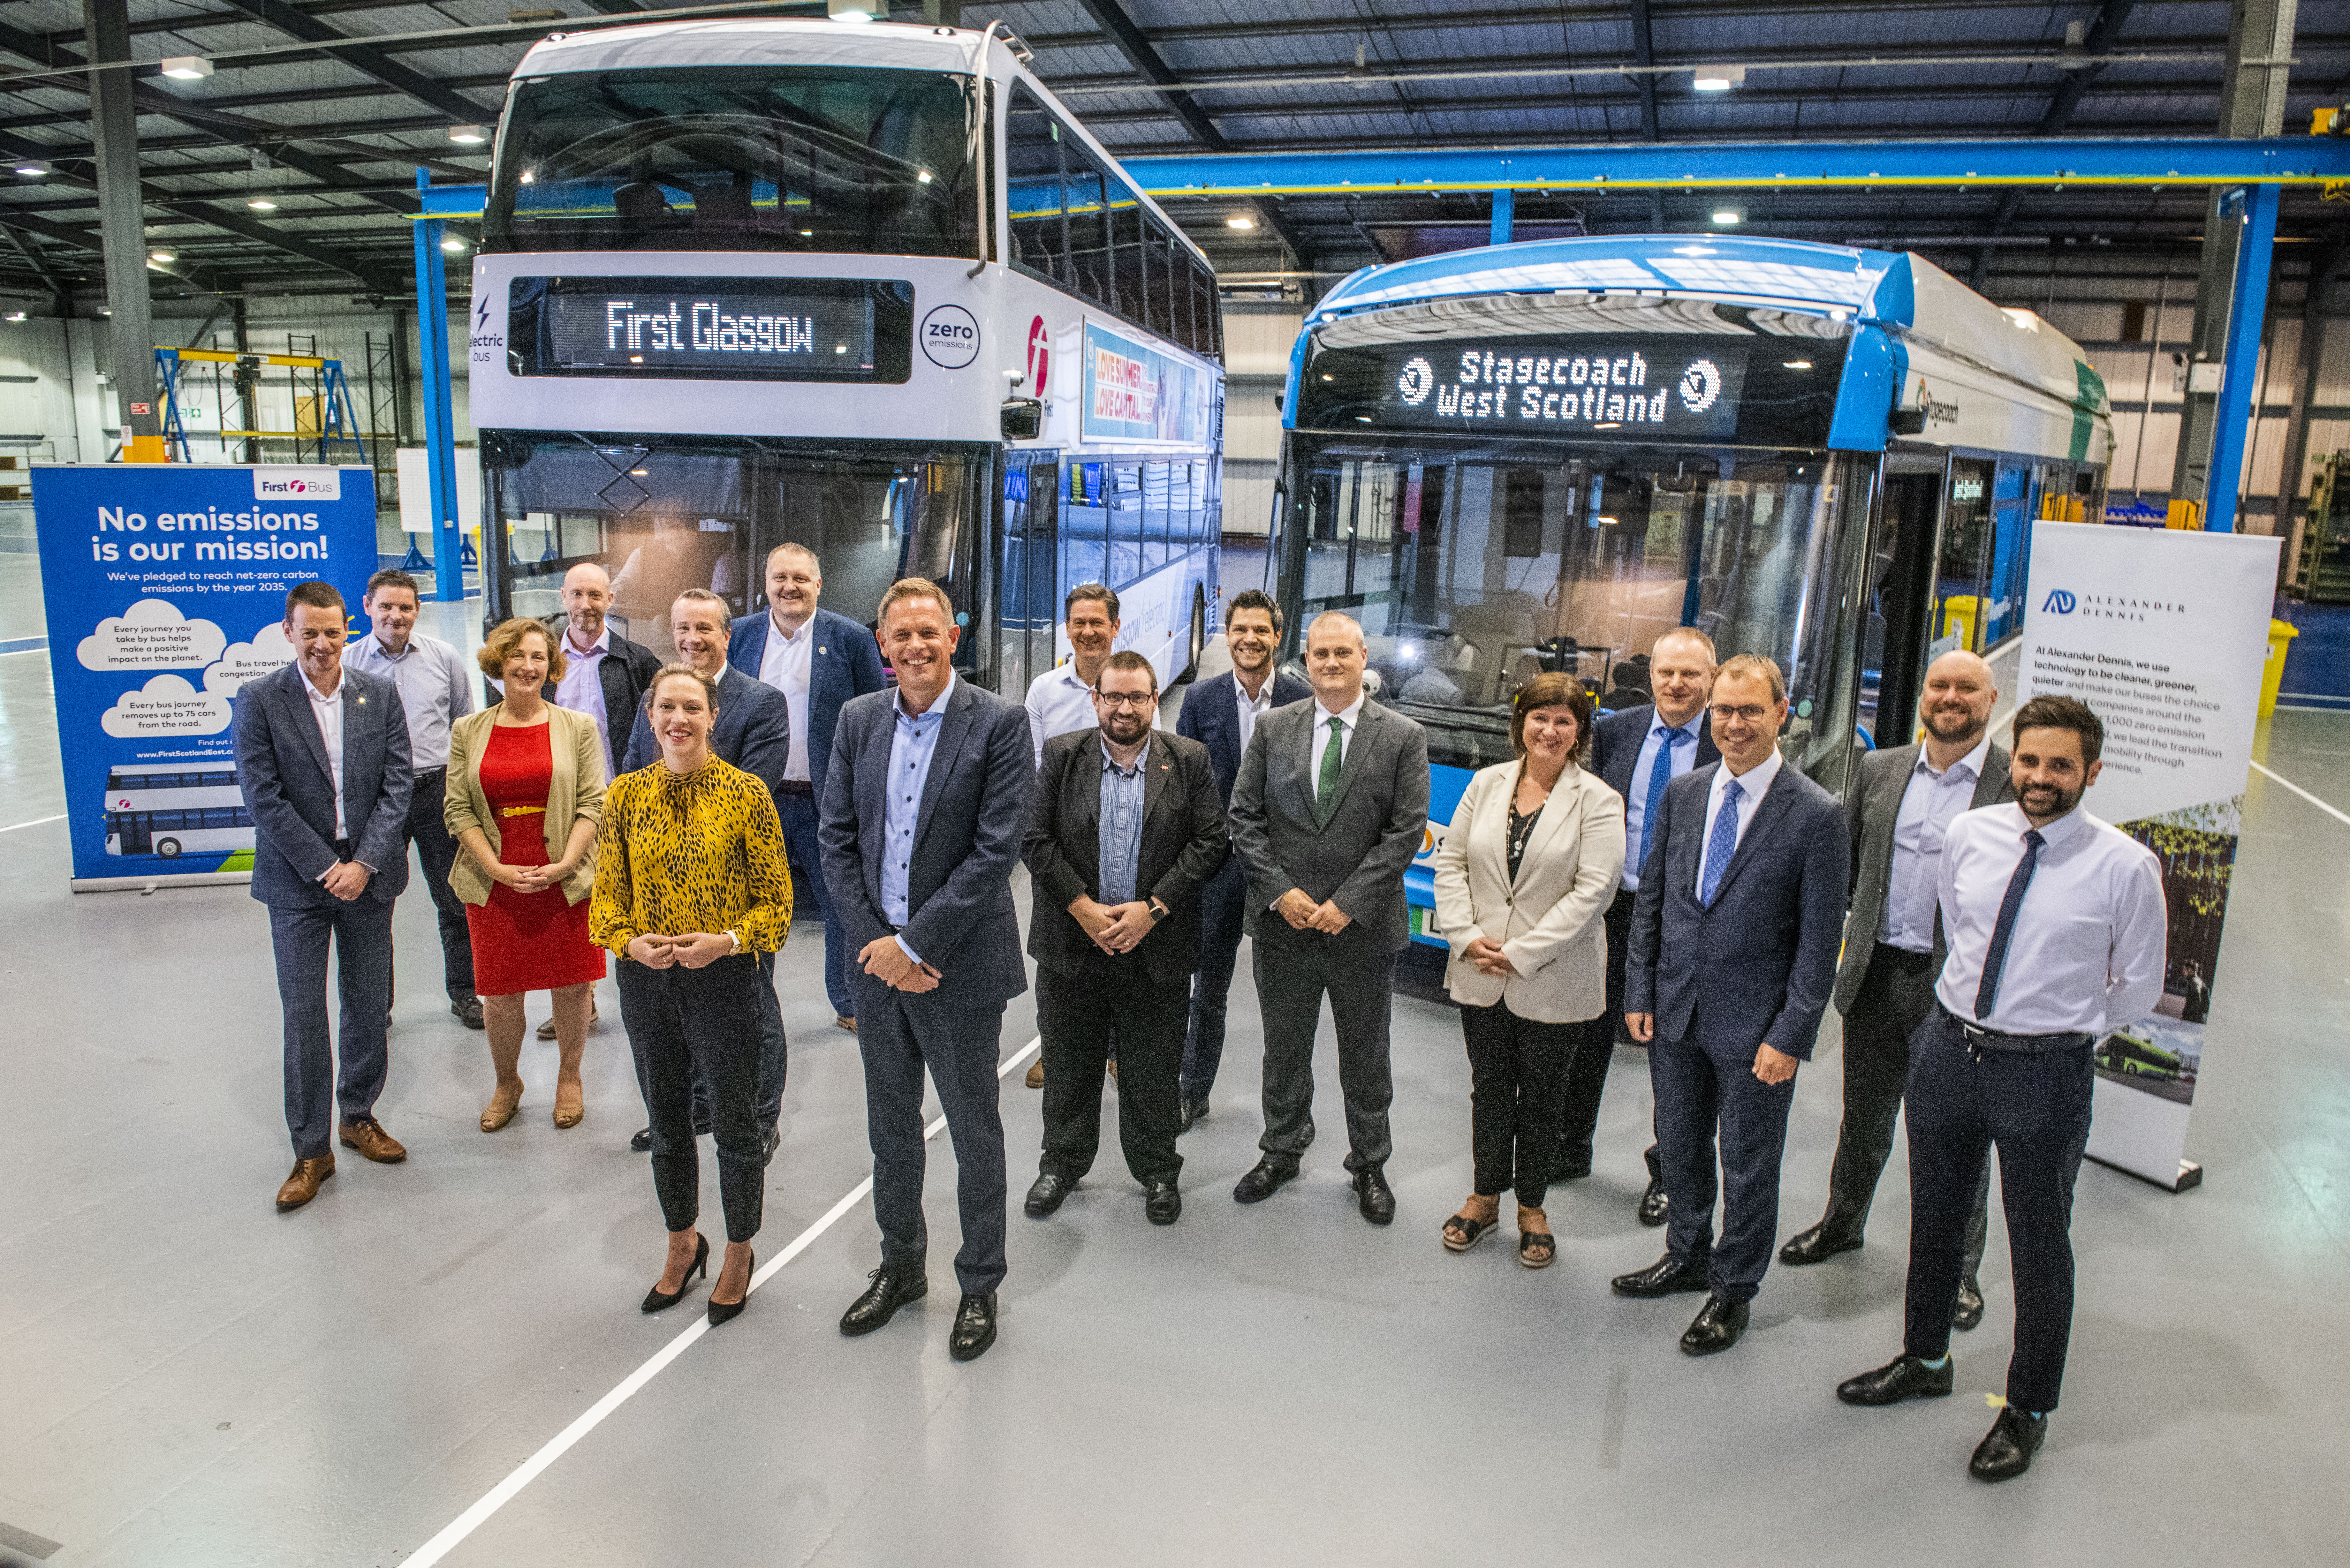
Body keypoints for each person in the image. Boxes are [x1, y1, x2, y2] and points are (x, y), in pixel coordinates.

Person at [1836, 696, 2165, 1482]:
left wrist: (2056, 1025)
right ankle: (1924, 1355)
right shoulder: (1970, 834)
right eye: (2029, 761)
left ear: (2091, 771)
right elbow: (1957, 924)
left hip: (2042, 1071)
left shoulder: (2124, 865)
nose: (2040, 778)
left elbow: (2138, 987)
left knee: (2038, 1243)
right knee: (1936, 1220)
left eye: (2060, 765)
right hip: (1948, 1052)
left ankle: (2027, 1407)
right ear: (2010, 759)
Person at [1612, 653, 1848, 1356]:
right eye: (1723, 710)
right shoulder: (1684, 794)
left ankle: (1732, 1289)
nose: (1734, 724)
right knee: (1680, 1146)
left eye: (1749, 711)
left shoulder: (1816, 814)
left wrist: (1791, 1033)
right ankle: (1685, 1254)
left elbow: (1817, 941)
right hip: (1674, 1011)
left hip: (1756, 1029)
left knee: (1747, 1164)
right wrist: (1639, 989)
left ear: (1781, 715)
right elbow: (1651, 900)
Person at [822, 577, 1031, 1362]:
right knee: (890, 1129)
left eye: (928, 632)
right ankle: (901, 1266)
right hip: (877, 967)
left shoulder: (1000, 724)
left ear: (953, 636)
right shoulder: (857, 719)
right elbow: (837, 841)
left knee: (975, 1132)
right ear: (882, 644)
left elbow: (995, 851)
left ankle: (978, 1282)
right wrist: (879, 944)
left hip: (960, 970)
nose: (914, 646)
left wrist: (916, 948)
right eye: (900, 634)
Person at [1779, 650, 2011, 1332]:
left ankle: (1959, 1274)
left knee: (1956, 1137)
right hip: (1877, 973)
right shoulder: (1880, 770)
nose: (1948, 697)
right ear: (1922, 697)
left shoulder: (2007, 781)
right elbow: (1843, 865)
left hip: (1957, 990)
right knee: (1864, 1118)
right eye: (1937, 684)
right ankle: (1841, 1224)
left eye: (1964, 687)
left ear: (1990, 699)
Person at [591, 664, 793, 1329]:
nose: (678, 718)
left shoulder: (746, 795)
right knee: (668, 1123)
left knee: (735, 1126)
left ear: (712, 716)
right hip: (647, 981)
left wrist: (728, 940)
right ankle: (683, 1240)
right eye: (666, 707)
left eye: (692, 707)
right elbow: (605, 904)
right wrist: (629, 944)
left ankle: (738, 1248)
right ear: (650, 718)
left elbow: (777, 906)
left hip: (723, 978)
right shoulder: (623, 796)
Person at [1226, 611, 1430, 1225]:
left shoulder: (1401, 736)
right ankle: (1281, 1150)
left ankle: (1369, 1164)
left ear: (1364, 657)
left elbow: (1405, 833)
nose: (1332, 663)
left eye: (1344, 652)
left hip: (1362, 933)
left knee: (1365, 1056)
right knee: (1284, 1050)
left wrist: (1349, 904)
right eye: (1321, 654)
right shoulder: (1272, 728)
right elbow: (1244, 818)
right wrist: (1280, 893)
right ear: (1305, 661)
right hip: (1283, 928)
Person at [1021, 651, 1227, 1227]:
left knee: (1154, 1072)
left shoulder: (1188, 761)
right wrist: (1082, 908)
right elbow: (1035, 841)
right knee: (1069, 1068)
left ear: (1154, 701)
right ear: (1096, 700)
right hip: (1073, 947)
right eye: (1114, 696)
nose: (1125, 708)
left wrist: (1153, 910)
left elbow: (1212, 841)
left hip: (1155, 949)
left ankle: (1158, 1170)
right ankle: (1061, 1164)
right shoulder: (1064, 757)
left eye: (1138, 697)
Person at [231, 581, 413, 1213]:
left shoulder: (379, 694)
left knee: (368, 1005)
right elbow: (264, 799)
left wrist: (362, 862)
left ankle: (357, 1115)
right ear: (289, 632)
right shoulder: (260, 700)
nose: (321, 644)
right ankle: (311, 1148)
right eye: (308, 632)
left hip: (369, 880)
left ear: (347, 631)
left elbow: (397, 787)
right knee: (305, 1014)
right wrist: (325, 866)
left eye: (331, 632)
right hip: (296, 886)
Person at [1431, 675, 1626, 1268]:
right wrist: (1465, 937)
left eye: (1563, 721)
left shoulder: (1598, 801)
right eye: (1539, 718)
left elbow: (1595, 892)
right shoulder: (1485, 785)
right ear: (1520, 724)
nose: (1549, 730)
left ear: (1580, 733)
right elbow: (1452, 862)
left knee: (1544, 1097)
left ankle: (1533, 1208)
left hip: (1554, 976)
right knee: (1489, 1088)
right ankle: (1485, 1197)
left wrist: (1521, 953)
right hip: (1479, 970)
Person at [620, 589, 792, 1160]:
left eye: (704, 628)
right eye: (682, 628)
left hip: (733, 897)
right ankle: (693, 1108)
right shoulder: (657, 696)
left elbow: (756, 796)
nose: (692, 639)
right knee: (674, 1012)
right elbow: (630, 776)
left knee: (753, 1007)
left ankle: (757, 1117)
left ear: (728, 635)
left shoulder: (761, 702)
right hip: (657, 895)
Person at [1556, 626, 1719, 1226]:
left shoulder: (1722, 746)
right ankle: (1571, 1147)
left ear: (1711, 679)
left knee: (1673, 1050)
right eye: (1666, 673)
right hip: (1614, 909)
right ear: (1651, 677)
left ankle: (1670, 1175)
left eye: (1690, 675)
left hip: (1685, 921)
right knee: (1588, 1031)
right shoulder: (1616, 732)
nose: (1676, 684)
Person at [444, 619, 608, 1131]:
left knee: (572, 984)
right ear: (499, 663)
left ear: (551, 665)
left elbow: (592, 804)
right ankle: (506, 1082)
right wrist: (495, 868)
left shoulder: (577, 727)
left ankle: (570, 1076)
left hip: (566, 875)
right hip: (493, 879)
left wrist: (564, 865)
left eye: (539, 657)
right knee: (501, 990)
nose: (528, 666)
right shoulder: (467, 731)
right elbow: (457, 810)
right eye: (517, 656)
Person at [729, 542, 890, 1035]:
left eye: (800, 578)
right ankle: (753, 1005)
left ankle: (848, 1002)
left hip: (828, 803)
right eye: (780, 578)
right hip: (760, 802)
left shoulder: (850, 639)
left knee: (842, 905)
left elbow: (874, 717)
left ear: (818, 585)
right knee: (754, 904)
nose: (789, 587)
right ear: (766, 585)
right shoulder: (740, 635)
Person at [1172, 588, 1310, 1132]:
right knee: (1208, 989)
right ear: (1225, 637)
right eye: (1239, 631)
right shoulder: (1201, 701)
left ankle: (1293, 1109)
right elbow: (1182, 787)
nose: (1249, 640)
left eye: (1261, 631)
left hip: (1285, 868)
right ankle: (1192, 1090)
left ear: (1278, 636)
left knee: (1291, 998)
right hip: (1219, 868)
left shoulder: (1303, 700)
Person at [343, 569, 481, 1028]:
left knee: (455, 898)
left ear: (418, 610)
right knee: (374, 902)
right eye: (386, 606)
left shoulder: (444, 658)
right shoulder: (348, 664)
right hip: (378, 799)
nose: (396, 616)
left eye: (405, 607)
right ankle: (376, 1006)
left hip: (436, 792)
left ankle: (465, 993)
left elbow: (465, 725)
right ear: (368, 608)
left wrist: (462, 791)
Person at [539, 561, 661, 1042]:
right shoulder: (545, 662)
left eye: (596, 595)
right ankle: (579, 1002)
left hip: (625, 803)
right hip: (565, 810)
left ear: (610, 600)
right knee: (573, 909)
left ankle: (649, 1000)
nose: (586, 605)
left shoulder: (637, 660)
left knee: (638, 900)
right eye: (577, 595)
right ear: (564, 598)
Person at [1021, 582, 1126, 1091]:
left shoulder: (1131, 684)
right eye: (1079, 623)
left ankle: (1112, 1051)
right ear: (1068, 629)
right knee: (1059, 959)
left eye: (1097, 623)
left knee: (1117, 951)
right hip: (1061, 846)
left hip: (1125, 841)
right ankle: (1055, 1049)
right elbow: (1036, 771)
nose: (1088, 632)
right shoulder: (1044, 691)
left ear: (1115, 628)